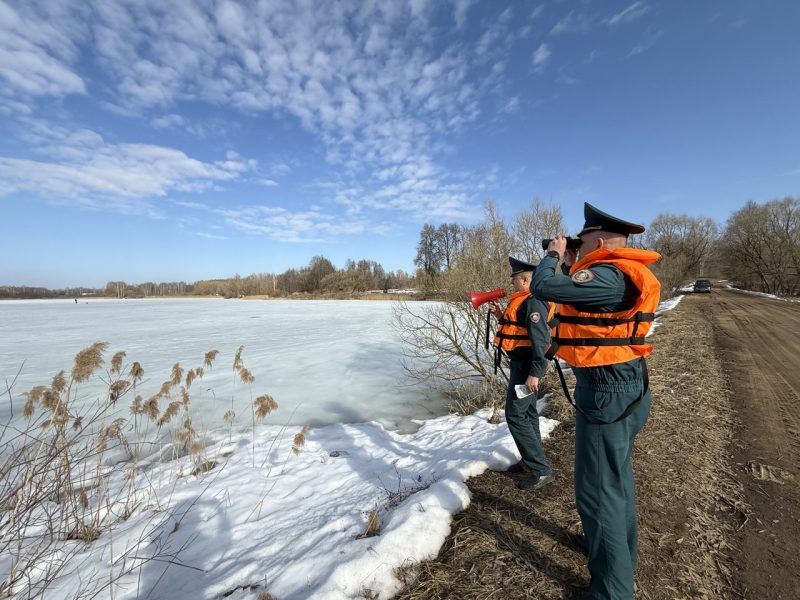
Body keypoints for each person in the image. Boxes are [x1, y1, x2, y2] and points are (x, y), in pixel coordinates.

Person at [531, 202, 661, 599]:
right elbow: (581, 312)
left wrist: (553, 255)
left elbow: (544, 287)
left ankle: (611, 591)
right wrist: (570, 259)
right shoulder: (613, 274)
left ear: (600, 240)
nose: (577, 247)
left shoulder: (610, 275)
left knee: (599, 489)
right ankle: (615, 553)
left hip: (609, 392)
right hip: (617, 388)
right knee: (614, 480)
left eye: (581, 241)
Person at [488, 256, 554, 491]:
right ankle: (531, 460)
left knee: (515, 415)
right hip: (520, 364)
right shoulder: (523, 301)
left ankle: (541, 470)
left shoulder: (533, 302)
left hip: (527, 367)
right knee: (527, 414)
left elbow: (539, 341)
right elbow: (516, 327)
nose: (512, 284)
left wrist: (535, 373)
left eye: (514, 279)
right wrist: (499, 315)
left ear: (525, 280)